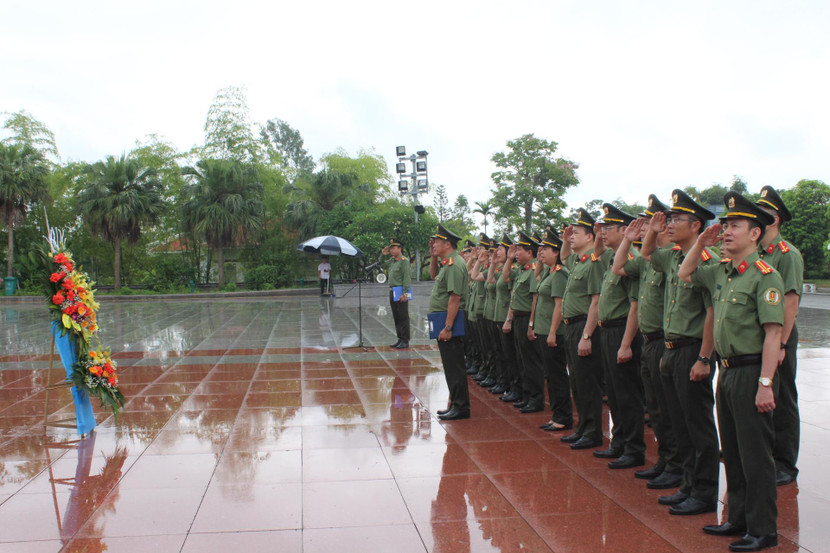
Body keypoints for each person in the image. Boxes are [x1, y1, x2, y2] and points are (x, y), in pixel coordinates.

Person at [679, 192, 783, 552]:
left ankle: (763, 529)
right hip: (726, 372)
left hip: (752, 371)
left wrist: (766, 383)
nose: (725, 231)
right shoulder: (722, 272)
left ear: (755, 234)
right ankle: (738, 519)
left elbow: (773, 335)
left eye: (734, 226)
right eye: (724, 225)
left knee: (756, 456)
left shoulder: (765, 276)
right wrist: (701, 243)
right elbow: (685, 273)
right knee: (735, 453)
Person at [640, 189, 720, 516]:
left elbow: (712, 313)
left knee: (698, 425)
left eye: (676, 219)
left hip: (692, 350)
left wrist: (704, 357)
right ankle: (688, 484)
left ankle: (704, 492)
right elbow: (646, 253)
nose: (670, 224)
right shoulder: (673, 256)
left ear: (696, 225)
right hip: (671, 349)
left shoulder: (707, 260)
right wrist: (652, 230)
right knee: (679, 422)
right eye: (669, 219)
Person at [613, 195, 683, 488]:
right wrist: (628, 240)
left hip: (666, 340)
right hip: (649, 341)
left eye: (648, 223)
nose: (641, 228)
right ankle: (665, 461)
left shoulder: (670, 259)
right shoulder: (647, 260)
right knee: (655, 408)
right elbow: (618, 267)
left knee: (669, 409)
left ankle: (676, 466)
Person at [756, 186, 804, 487]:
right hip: (761, 335)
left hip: (780, 335)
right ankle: (764, 453)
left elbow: (791, 301)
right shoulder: (758, 253)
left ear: (773, 220)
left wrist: (783, 344)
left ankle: (785, 463)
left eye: (760, 215)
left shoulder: (787, 254)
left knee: (783, 397)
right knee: (763, 395)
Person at [594, 203, 646, 469]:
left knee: (627, 394)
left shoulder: (632, 260)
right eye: (602, 228)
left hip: (623, 331)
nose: (603, 232)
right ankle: (619, 442)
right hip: (607, 330)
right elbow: (596, 252)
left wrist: (626, 344)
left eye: (609, 228)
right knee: (614, 393)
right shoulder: (614, 258)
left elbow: (634, 306)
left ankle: (634, 448)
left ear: (625, 230)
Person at [559, 208, 606, 450]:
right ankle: (583, 427)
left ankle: (593, 432)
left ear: (590, 237)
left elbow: (596, 302)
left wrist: (587, 335)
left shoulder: (594, 263)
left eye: (576, 233)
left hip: (584, 326)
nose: (571, 237)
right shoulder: (578, 261)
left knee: (588, 383)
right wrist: (564, 240)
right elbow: (564, 257)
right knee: (576, 382)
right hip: (571, 327)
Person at [429, 224, 471, 421]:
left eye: (437, 242)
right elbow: (432, 275)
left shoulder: (454, 264)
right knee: (450, 365)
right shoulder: (447, 263)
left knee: (455, 366)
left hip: (449, 321)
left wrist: (448, 327)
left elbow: (455, 298)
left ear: (447, 244)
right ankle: (456, 403)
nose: (433, 244)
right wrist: (433, 256)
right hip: (443, 319)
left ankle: (461, 407)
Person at [534, 227, 573, 431]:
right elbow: (536, 275)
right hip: (544, 330)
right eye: (540, 249)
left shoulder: (559, 274)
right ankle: (556, 414)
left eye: (545, 249)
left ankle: (563, 417)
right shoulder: (549, 273)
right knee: (550, 374)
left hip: (554, 333)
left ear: (556, 252)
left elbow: (559, 305)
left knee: (557, 375)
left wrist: (551, 332)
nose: (541, 252)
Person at [502, 231, 544, 413]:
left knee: (531, 362)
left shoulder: (534, 270)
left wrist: (531, 324)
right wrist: (509, 259)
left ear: (530, 252)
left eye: (520, 250)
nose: (516, 253)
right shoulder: (521, 270)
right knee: (522, 360)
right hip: (518, 318)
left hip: (527, 317)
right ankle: (526, 396)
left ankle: (536, 399)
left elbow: (535, 299)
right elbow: (505, 277)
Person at [382, 238, 412, 349]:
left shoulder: (404, 261)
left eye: (394, 248)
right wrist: (382, 255)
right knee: (396, 316)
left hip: (400, 291)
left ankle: (405, 339)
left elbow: (406, 278)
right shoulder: (392, 261)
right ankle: (400, 338)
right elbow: (382, 265)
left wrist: (405, 293)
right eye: (391, 248)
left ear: (400, 249)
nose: (391, 250)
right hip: (392, 291)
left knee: (403, 316)